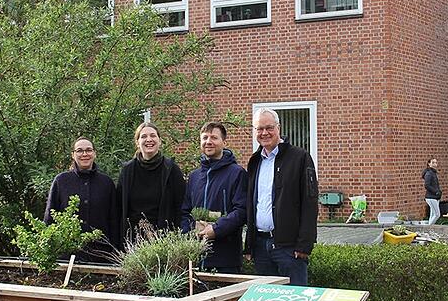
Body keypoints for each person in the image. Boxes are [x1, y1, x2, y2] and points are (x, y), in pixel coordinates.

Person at [244, 108, 318, 286]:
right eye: (259, 129)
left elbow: (310, 202)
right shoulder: (255, 162)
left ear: (279, 128)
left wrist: (304, 245)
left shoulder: (300, 157)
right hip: (261, 247)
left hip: (289, 249)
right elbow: (252, 203)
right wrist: (249, 245)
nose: (264, 133)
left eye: (269, 127)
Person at [181, 122, 247, 273]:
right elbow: (184, 211)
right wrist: (190, 231)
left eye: (214, 138)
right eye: (204, 138)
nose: (208, 142)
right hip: (196, 255)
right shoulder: (194, 177)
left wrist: (216, 229)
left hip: (226, 257)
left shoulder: (237, 173)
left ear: (224, 142)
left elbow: (242, 211)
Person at [43, 136, 118, 262]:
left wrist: (115, 252)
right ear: (73, 155)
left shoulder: (106, 183)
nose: (84, 154)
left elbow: (114, 220)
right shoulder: (61, 181)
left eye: (88, 150)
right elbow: (50, 217)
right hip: (67, 255)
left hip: (101, 255)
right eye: (79, 150)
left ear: (95, 153)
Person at [117, 122, 186, 243]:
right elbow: (119, 208)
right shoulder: (127, 171)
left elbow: (181, 207)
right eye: (144, 136)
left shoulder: (171, 169)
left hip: (165, 240)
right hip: (133, 241)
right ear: (137, 142)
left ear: (159, 141)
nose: (149, 139)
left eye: (153, 136)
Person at [422, 158, 441, 225]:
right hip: (431, 197)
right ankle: (429, 227)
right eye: (433, 163)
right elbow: (427, 185)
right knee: (437, 214)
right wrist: (436, 191)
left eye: (436, 162)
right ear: (429, 164)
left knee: (432, 215)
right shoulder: (429, 173)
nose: (435, 164)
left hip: (435, 197)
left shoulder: (433, 173)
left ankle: (429, 228)